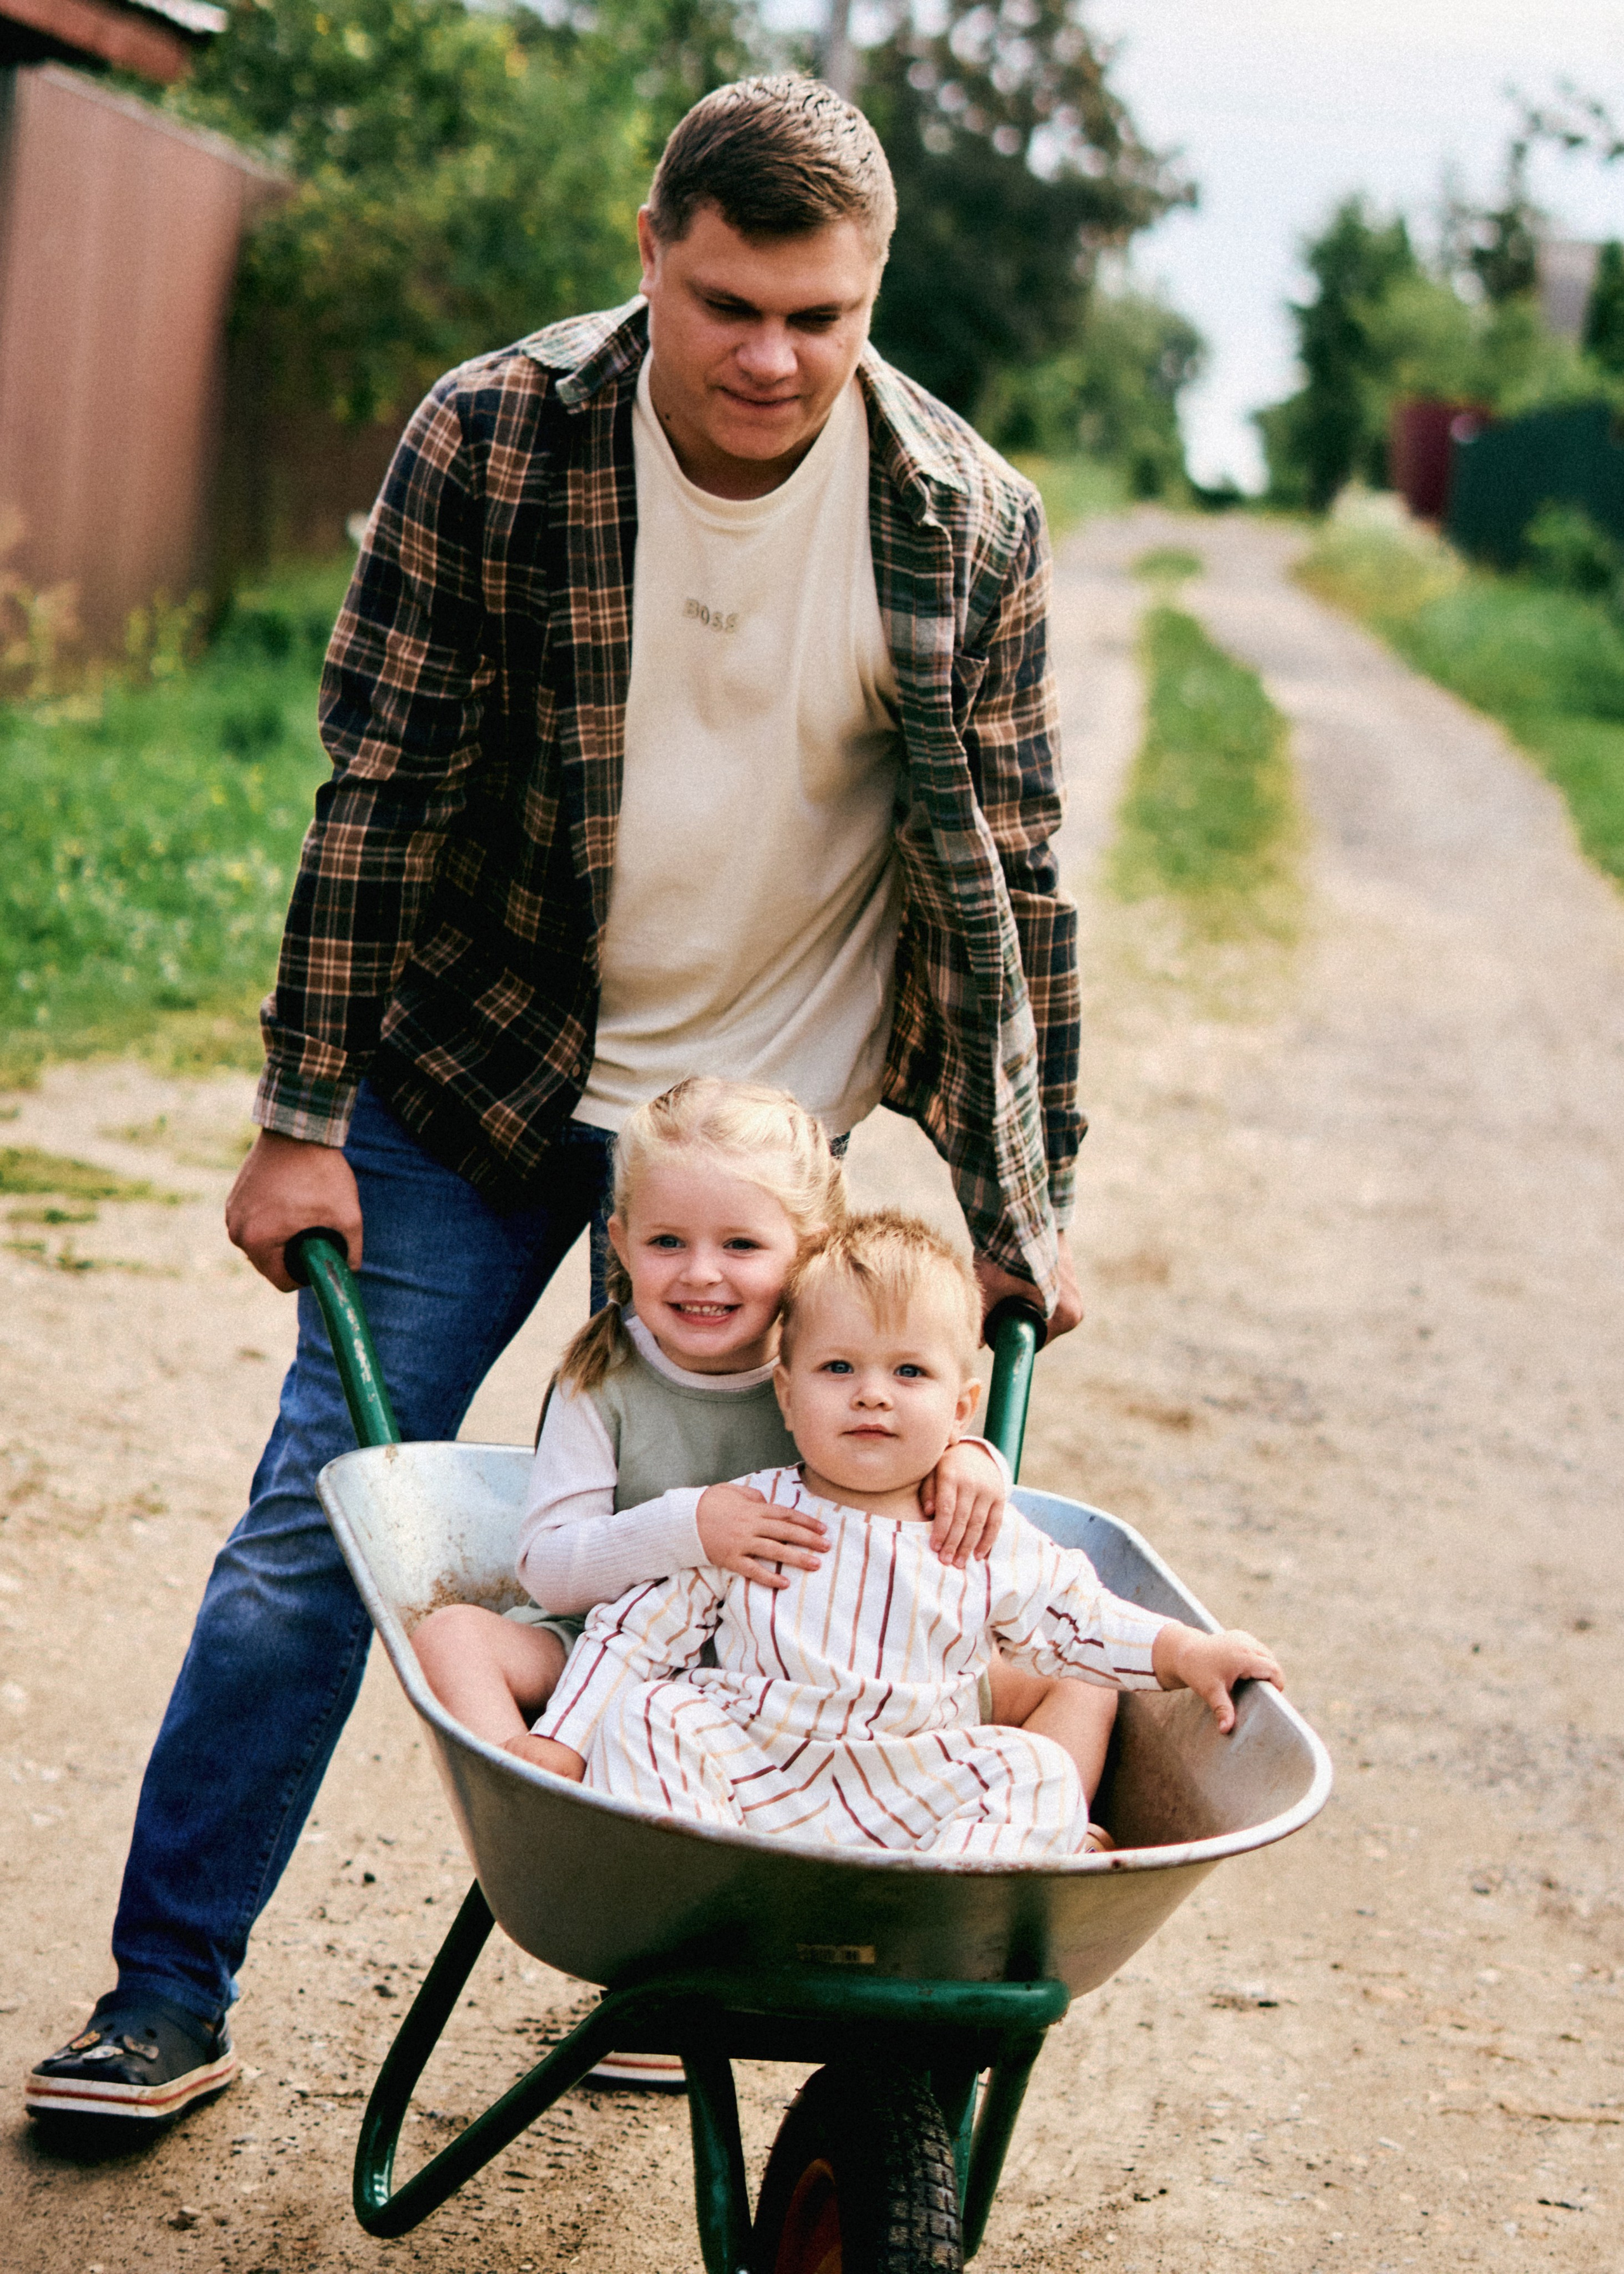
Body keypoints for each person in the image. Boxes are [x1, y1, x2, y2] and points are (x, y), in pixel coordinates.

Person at [29, 73, 1087, 2124]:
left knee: (768, 1553)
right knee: (324, 1528)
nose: (772, 358)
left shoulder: (966, 519)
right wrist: (295, 1112)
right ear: (649, 255)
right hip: (473, 1078)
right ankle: (166, 1992)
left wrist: (1021, 1214)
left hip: (754, 1145)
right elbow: (381, 789)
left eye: (821, 316)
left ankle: (671, 1928)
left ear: (876, 293)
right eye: (727, 305)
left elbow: (1014, 890)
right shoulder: (498, 439)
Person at [523, 1213, 1284, 1857]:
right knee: (650, 1713)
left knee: (1039, 1770)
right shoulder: (753, 1513)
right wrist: (564, 1735)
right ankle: (699, 1938)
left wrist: (1187, 1651)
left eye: (910, 1372)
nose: (872, 1394)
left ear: (962, 1406)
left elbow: (1077, 1615)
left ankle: (933, 1927)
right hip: (755, 1776)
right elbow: (635, 1633)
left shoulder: (972, 1529)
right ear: (786, 1394)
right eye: (839, 1366)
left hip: (913, 1781)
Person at [414, 1077, 1104, 1770]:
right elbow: (549, 1572)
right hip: (611, 1656)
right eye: (666, 1241)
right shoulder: (600, 1378)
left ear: (810, 1247)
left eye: (741, 1243)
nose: (702, 1273)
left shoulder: (832, 1373)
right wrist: (692, 1528)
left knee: (1087, 1672)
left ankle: (1050, 1827)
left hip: (806, 1666)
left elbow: (913, 1434)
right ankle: (538, 1802)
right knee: (452, 1636)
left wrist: (967, 1456)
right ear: (620, 1244)